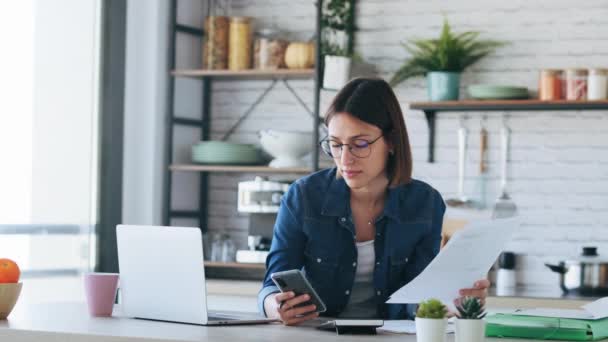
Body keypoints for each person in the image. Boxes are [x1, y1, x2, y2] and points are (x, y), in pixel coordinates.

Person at [258, 78, 489, 326]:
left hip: (391, 335)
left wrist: (447, 301)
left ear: (391, 141)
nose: (345, 159)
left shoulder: (425, 204)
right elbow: (272, 284)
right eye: (335, 145)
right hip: (317, 334)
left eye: (360, 144)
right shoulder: (302, 197)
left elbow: (418, 295)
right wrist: (274, 305)